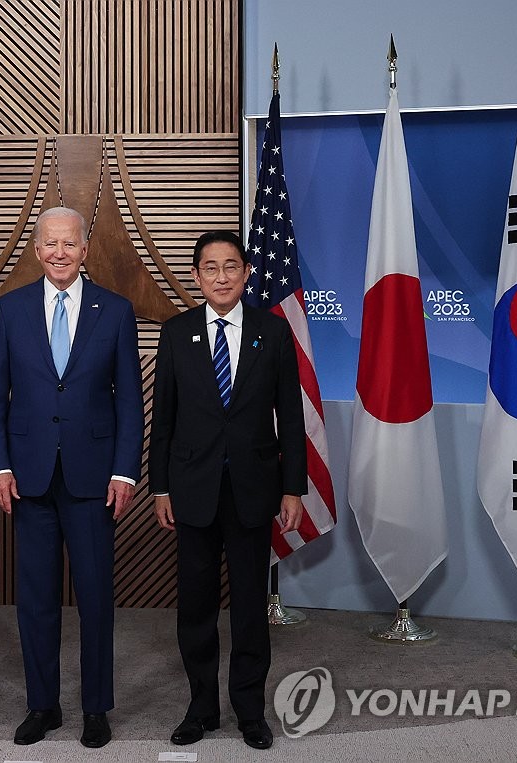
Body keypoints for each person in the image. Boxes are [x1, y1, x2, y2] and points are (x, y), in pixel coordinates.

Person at [0, 206, 143, 749]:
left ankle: (96, 708)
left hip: (94, 479)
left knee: (95, 596)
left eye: (68, 244)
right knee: (36, 599)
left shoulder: (115, 311)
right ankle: (42, 705)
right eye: (49, 244)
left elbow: (128, 401)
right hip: (27, 477)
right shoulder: (10, 310)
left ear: (84, 249)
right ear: (36, 250)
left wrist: (125, 470)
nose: (58, 253)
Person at [148, 230, 306, 750]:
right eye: (210, 268)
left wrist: (292, 489)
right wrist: (160, 487)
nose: (221, 277)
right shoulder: (175, 333)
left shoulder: (273, 332)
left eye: (230, 267)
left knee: (247, 606)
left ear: (246, 273)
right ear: (196, 276)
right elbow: (163, 420)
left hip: (253, 490)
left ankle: (249, 711)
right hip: (191, 490)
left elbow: (291, 416)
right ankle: (200, 708)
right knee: (194, 605)